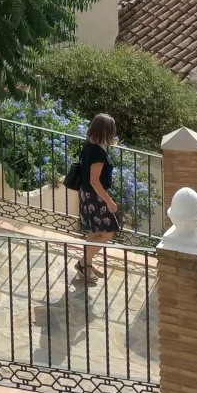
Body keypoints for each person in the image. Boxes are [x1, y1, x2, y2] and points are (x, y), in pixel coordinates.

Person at [76, 113, 119, 283]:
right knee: (108, 232)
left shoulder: (89, 145)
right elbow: (95, 181)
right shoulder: (98, 153)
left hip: (88, 195)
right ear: (106, 131)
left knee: (96, 232)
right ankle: (83, 263)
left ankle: (87, 264)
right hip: (95, 198)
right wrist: (109, 201)